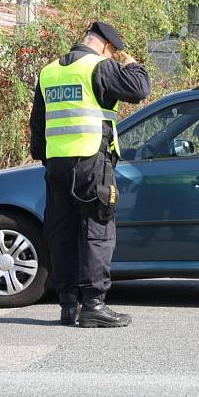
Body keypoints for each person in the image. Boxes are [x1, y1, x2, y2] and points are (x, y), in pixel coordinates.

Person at [29, 22, 150, 327]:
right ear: (107, 47)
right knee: (97, 230)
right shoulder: (99, 67)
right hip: (92, 162)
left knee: (62, 234)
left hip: (57, 166)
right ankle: (94, 305)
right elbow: (140, 89)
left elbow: (37, 128)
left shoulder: (50, 72)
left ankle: (68, 305)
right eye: (115, 52)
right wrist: (133, 65)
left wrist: (49, 159)